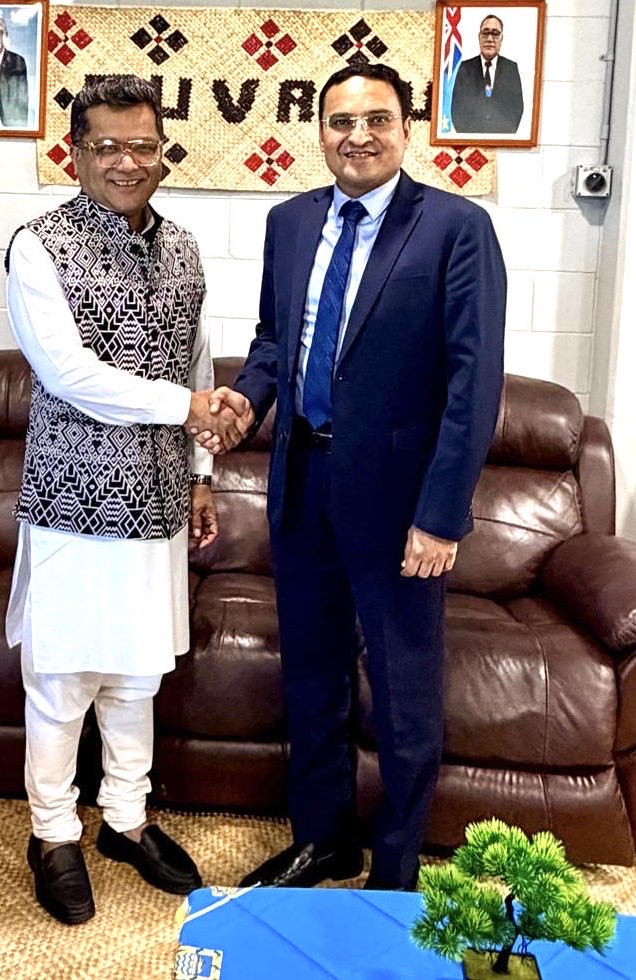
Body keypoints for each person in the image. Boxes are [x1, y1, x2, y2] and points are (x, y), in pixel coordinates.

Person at [199, 62, 506, 892]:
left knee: (404, 693)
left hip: (401, 506)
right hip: (303, 485)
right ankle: (322, 840)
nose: (357, 136)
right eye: (340, 122)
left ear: (407, 129)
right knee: (311, 677)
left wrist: (441, 515)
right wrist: (246, 398)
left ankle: (395, 870)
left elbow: (473, 382)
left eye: (376, 120)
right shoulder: (290, 222)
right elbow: (276, 342)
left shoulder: (456, 228)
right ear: (321, 132)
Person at [3, 74, 243, 926]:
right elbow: (69, 373)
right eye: (106, 145)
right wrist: (189, 409)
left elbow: (196, 359)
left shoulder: (183, 246)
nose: (127, 161)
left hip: (158, 501)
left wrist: (202, 472)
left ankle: (127, 820)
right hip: (72, 500)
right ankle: (52, 834)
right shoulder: (39, 246)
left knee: (137, 675)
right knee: (63, 678)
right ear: (75, 153)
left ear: (162, 151)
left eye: (143, 145)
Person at [450, 14, 524, 134]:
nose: (489, 39)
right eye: (485, 33)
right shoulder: (464, 68)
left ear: (501, 39)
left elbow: (517, 108)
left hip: (501, 137)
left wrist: (500, 137)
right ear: (479, 37)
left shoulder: (511, 68)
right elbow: (456, 109)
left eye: (495, 33)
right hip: (471, 138)